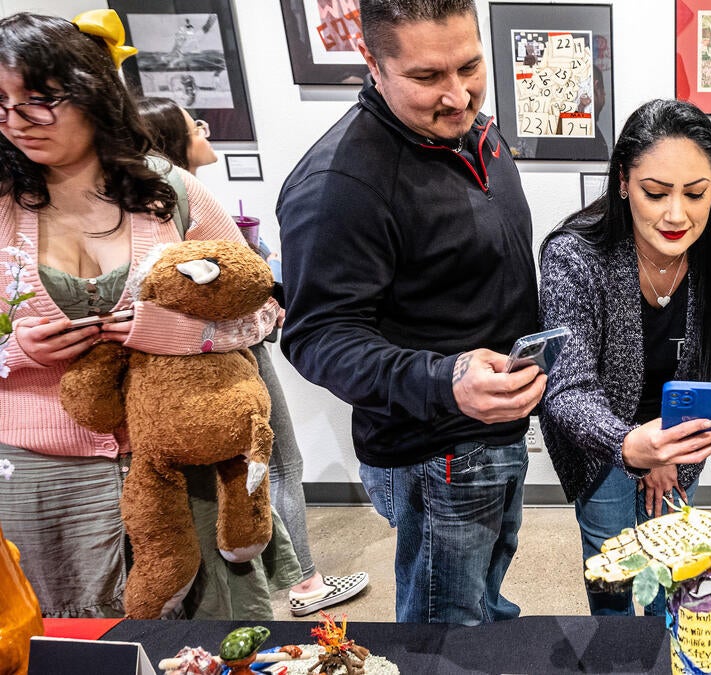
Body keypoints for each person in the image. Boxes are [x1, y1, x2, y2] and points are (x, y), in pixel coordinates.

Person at [0, 11, 293, 618]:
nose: (15, 121)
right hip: (40, 472)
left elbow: (264, 306)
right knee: (67, 633)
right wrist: (15, 348)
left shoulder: (170, 192)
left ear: (91, 92)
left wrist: (187, 333)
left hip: (183, 454)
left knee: (208, 630)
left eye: (37, 100)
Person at [277, 0, 545, 625]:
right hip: (434, 452)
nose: (458, 97)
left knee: (481, 601)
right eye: (427, 78)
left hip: (494, 431)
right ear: (372, 62)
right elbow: (318, 336)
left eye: (470, 67)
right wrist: (445, 380)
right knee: (442, 632)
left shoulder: (473, 130)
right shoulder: (340, 182)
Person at [137, 95, 369, 616]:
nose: (202, 126)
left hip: (212, 368)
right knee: (278, 463)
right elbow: (236, 301)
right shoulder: (178, 203)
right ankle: (305, 583)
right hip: (234, 360)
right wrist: (268, 305)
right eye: (188, 123)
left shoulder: (180, 204)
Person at [539, 98, 711, 616]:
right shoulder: (576, 256)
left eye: (696, 193)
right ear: (622, 182)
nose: (676, 214)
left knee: (672, 565)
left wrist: (667, 453)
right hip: (599, 440)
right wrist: (632, 448)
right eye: (656, 193)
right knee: (612, 565)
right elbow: (568, 387)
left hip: (681, 437)